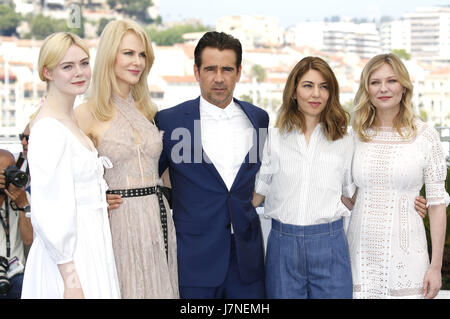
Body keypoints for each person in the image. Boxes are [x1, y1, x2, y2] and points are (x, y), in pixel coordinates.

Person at [155, 31, 268, 299]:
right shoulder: (169, 122)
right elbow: (146, 176)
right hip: (193, 261)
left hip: (248, 264)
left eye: (227, 69)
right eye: (210, 69)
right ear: (196, 71)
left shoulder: (259, 119)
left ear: (239, 72)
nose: (219, 78)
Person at [75, 20, 178, 299]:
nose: (138, 62)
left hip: (157, 220)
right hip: (116, 224)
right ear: (110, 55)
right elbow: (68, 178)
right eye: (129, 53)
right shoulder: (85, 113)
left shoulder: (148, 110)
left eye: (142, 55)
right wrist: (95, 196)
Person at [21, 32, 120, 299]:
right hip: (69, 262)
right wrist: (71, 280)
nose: (80, 72)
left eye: (84, 63)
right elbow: (49, 210)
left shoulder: (68, 121)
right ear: (48, 72)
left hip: (91, 247)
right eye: (67, 66)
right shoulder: (49, 129)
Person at [347, 53, 449, 299]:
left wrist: (435, 267)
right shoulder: (355, 135)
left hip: (407, 255)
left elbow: (436, 205)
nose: (383, 88)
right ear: (367, 89)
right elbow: (347, 196)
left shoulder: (425, 136)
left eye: (391, 81)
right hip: (359, 254)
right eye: (375, 82)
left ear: (403, 86)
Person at [252, 56, 354, 298]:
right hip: (282, 246)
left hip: (330, 245)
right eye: (308, 85)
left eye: (324, 86)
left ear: (331, 93)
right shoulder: (273, 138)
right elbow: (257, 194)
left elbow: (353, 197)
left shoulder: (346, 140)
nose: (316, 94)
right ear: (294, 91)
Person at [0, 149, 33, 299]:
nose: (10, 175)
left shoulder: (22, 196)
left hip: (16, 272)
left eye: (12, 169)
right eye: (5, 172)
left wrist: (23, 205)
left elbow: (28, 239)